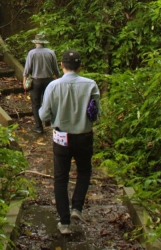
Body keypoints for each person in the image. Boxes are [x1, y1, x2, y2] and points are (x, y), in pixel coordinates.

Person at [39, 49, 100, 236]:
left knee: (61, 177)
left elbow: (44, 114)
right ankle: (77, 208)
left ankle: (64, 222)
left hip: (61, 137)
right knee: (84, 171)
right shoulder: (91, 85)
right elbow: (95, 114)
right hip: (84, 135)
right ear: (80, 66)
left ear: (62, 65)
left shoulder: (53, 86)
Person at [23, 33, 60, 134]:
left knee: (36, 104)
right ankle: (48, 120)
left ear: (36, 42)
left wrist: (24, 80)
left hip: (36, 81)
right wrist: (59, 79)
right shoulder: (51, 52)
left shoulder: (32, 53)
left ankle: (39, 127)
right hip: (49, 80)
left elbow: (27, 68)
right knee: (48, 100)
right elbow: (56, 69)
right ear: (44, 43)